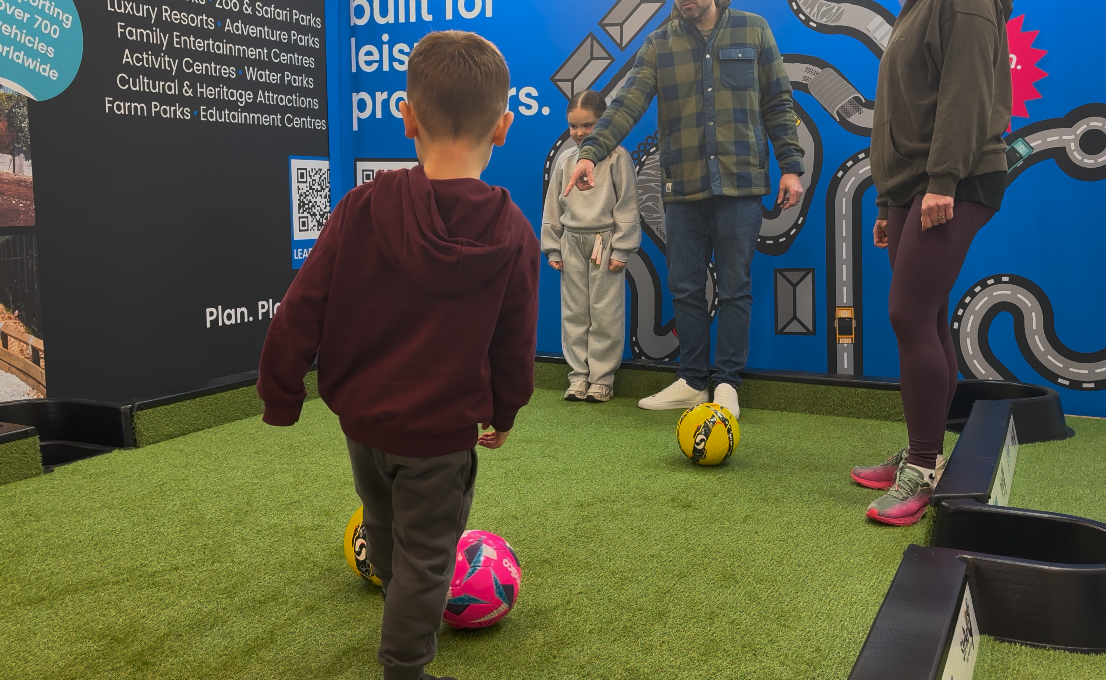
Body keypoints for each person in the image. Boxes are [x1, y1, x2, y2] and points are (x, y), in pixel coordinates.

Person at [256, 31, 540, 680]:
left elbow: (301, 307)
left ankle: (391, 596)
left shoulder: (360, 208)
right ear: (503, 128)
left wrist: (281, 394)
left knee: (382, 522)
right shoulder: (514, 232)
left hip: (363, 426)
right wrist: (506, 410)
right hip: (440, 438)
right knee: (428, 558)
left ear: (406, 117)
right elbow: (515, 339)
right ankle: (404, 666)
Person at [565, 0, 805, 419]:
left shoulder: (754, 29)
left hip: (741, 183)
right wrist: (591, 153)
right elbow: (626, 103)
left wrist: (791, 166)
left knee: (735, 287)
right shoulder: (659, 43)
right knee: (685, 287)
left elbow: (778, 102)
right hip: (682, 188)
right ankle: (693, 381)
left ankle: (727, 383)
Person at [850, 0, 1014, 525]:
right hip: (912, 182)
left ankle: (922, 467)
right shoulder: (914, 6)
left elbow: (966, 93)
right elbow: (897, 108)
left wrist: (943, 180)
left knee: (909, 314)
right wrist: (886, 201)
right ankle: (927, 449)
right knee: (930, 315)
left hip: (957, 177)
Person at [542, 90, 641, 403]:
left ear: (605, 123)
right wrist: (553, 247)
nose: (580, 132)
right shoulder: (565, 161)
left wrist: (622, 248)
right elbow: (553, 206)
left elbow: (627, 204)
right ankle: (578, 377)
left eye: (588, 125)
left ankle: (601, 379)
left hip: (605, 243)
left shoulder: (617, 158)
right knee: (574, 312)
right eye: (573, 126)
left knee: (605, 313)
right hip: (571, 242)